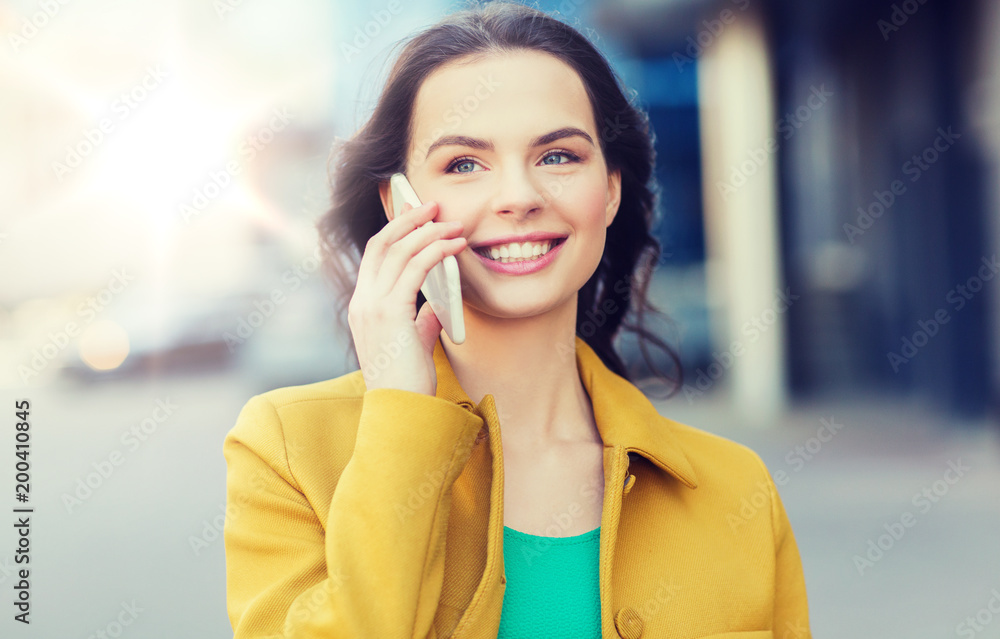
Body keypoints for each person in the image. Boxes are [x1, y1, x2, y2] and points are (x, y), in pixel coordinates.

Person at [223, 2, 812, 638]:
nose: (520, 198)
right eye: (464, 165)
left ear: (610, 188)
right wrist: (401, 417)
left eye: (558, 156)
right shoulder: (288, 451)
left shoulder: (734, 489)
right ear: (400, 203)